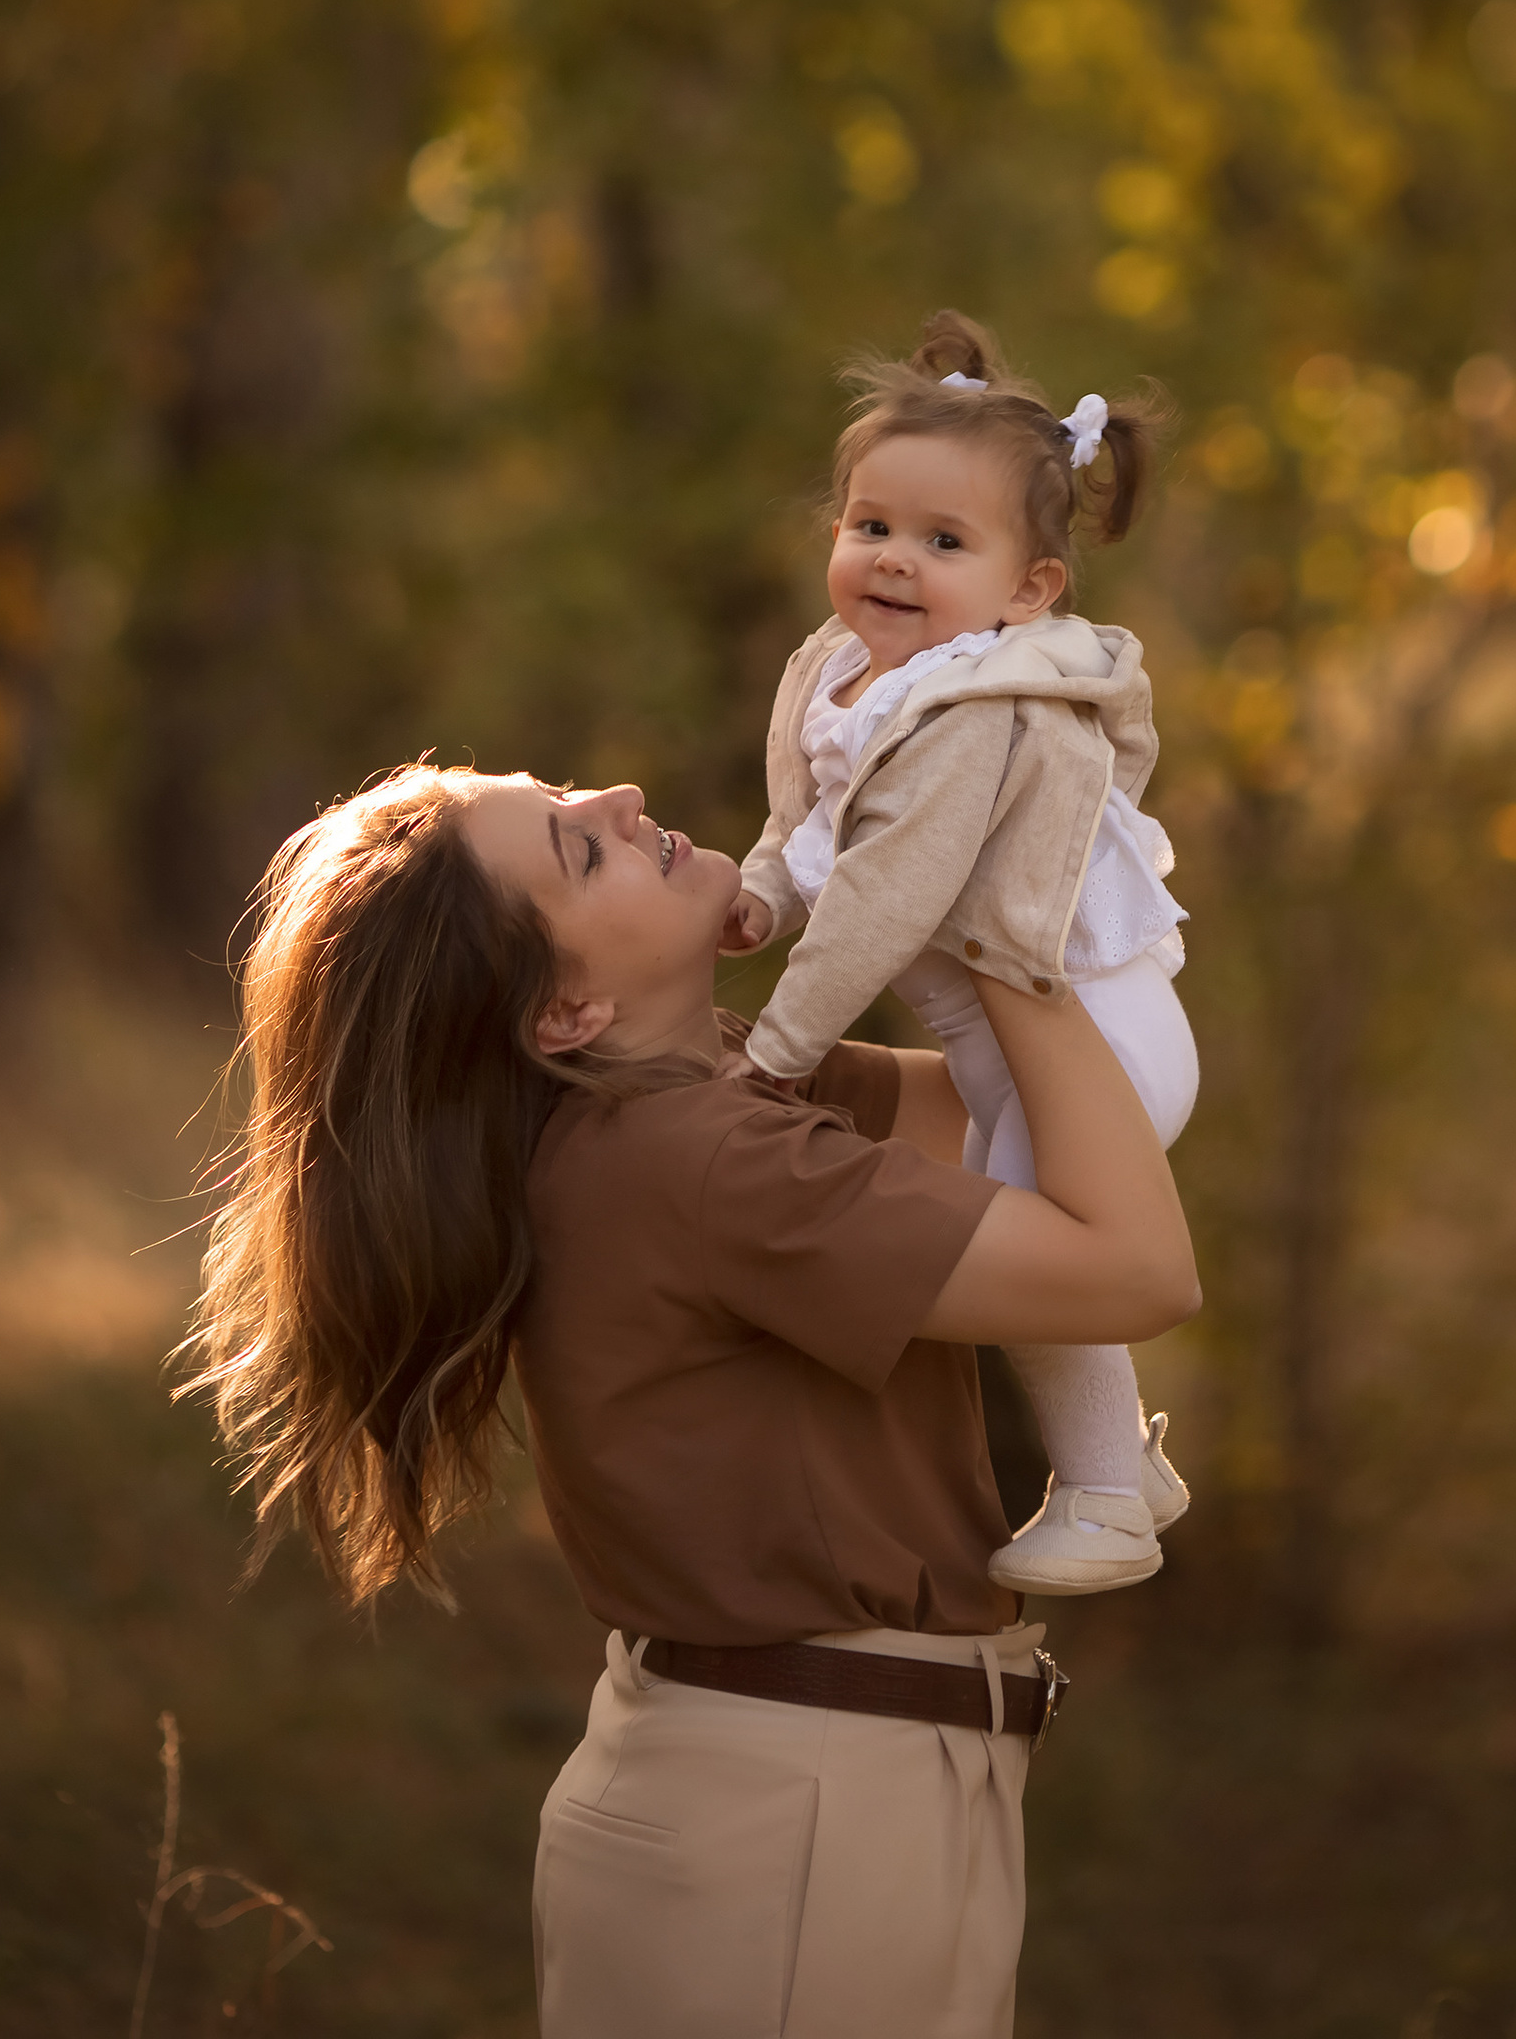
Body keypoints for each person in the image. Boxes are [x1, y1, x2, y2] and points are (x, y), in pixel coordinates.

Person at [185, 753, 1199, 2039]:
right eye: (575, 848)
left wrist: (974, 840)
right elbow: (1134, 1268)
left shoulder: (719, 1095)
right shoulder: (706, 1163)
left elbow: (1071, 1117)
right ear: (563, 1015)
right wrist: (1003, 917)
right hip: (799, 1816)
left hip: (815, 1794)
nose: (613, 801)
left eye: (568, 797)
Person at [721, 310, 1195, 1596]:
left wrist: (773, 1056)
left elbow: (880, 900)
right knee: (1013, 1220)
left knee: (1034, 1239)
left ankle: (1104, 1495)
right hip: (1012, 1049)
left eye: (943, 542)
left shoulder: (968, 712)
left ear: (1027, 590)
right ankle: (1130, 1466)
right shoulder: (843, 673)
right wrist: (759, 902)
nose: (891, 561)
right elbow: (805, 833)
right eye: (869, 525)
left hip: (1097, 1031)